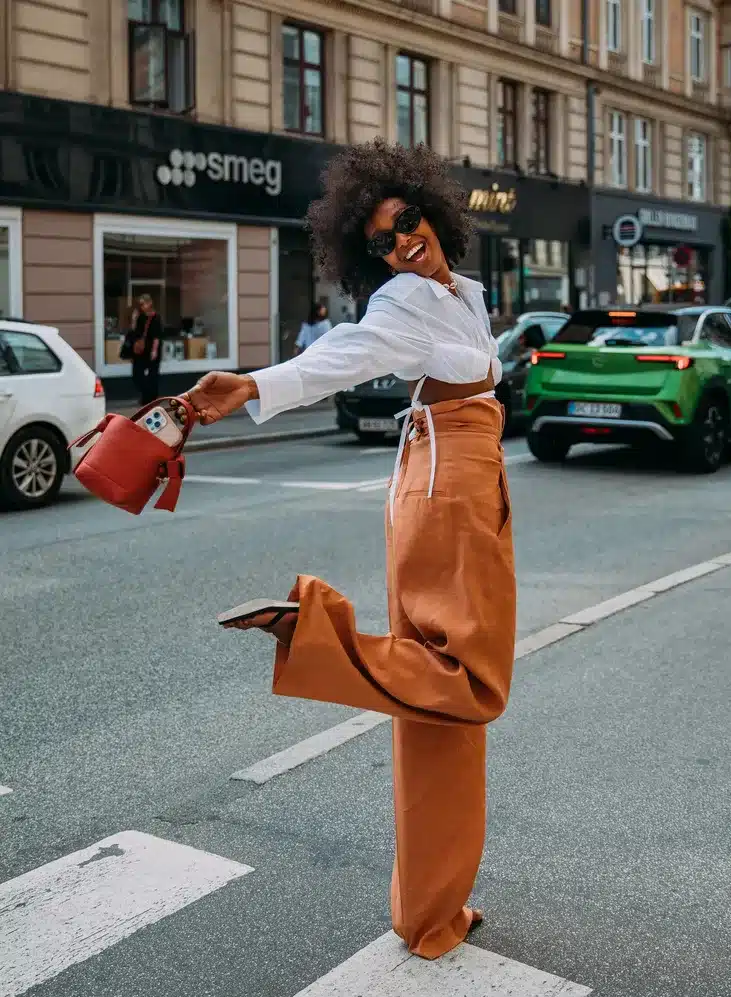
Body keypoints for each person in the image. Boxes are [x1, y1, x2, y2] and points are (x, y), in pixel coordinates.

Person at [181, 140, 516, 961]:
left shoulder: (458, 292)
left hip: (449, 479)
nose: (402, 241)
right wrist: (256, 384)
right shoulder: (405, 301)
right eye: (380, 240)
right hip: (450, 487)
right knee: (471, 683)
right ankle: (317, 636)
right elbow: (344, 356)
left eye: (407, 221)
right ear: (372, 262)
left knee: (439, 720)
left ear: (432, 212)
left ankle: (431, 911)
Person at [130, 294, 162, 405]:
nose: (141, 306)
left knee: (153, 375)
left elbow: (157, 336)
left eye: (143, 304)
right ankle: (147, 396)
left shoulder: (156, 317)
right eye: (140, 304)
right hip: (140, 351)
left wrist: (154, 350)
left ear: (149, 303)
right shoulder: (140, 317)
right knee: (137, 375)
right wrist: (134, 319)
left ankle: (151, 398)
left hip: (152, 350)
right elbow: (134, 332)